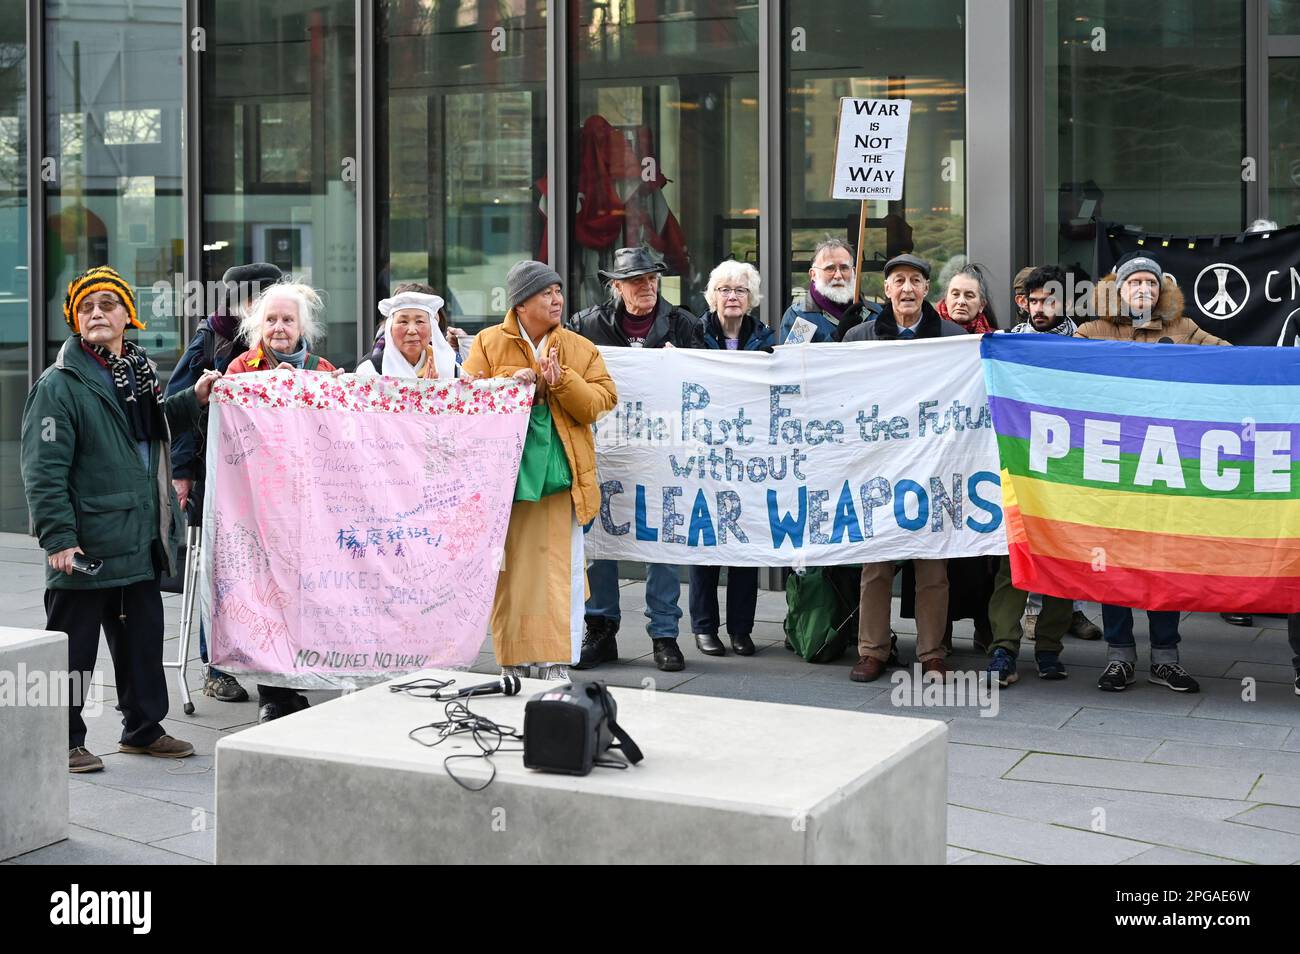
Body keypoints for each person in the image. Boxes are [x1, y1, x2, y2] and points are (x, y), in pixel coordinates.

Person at [22, 266, 220, 773]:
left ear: (127, 316)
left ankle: (143, 728)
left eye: (107, 304)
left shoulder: (137, 371)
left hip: (138, 535)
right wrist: (59, 539)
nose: (97, 313)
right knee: (73, 651)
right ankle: (62, 738)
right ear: (74, 319)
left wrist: (192, 400)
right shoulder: (60, 385)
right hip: (86, 543)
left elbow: (148, 427)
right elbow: (43, 470)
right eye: (86, 307)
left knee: (141, 643)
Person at [1077, 254, 1227, 693]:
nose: (1143, 288)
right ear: (1118, 289)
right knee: (1116, 564)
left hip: (1167, 469)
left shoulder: (1185, 330)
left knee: (1164, 564)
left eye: (1151, 282)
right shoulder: (1092, 332)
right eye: (1134, 282)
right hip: (1113, 470)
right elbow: (1052, 365)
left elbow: (1232, 361)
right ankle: (1119, 656)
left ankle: (1166, 658)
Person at [463, 261, 616, 679]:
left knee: (557, 573)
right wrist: (519, 378)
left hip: (560, 476)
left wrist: (562, 380)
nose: (557, 300)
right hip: (505, 479)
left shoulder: (578, 348)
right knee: (509, 572)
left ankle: (554, 661)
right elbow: (469, 399)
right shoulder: (489, 343)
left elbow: (601, 402)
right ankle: (512, 659)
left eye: (559, 292)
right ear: (521, 301)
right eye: (547, 293)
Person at [568, 246, 704, 672]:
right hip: (605, 449)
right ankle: (601, 628)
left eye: (651, 279)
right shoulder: (586, 325)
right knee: (600, 540)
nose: (645, 287)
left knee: (661, 541)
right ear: (616, 286)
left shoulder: (683, 324)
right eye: (635, 281)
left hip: (664, 453)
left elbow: (703, 384)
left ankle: (664, 634)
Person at [223, 280, 341, 721]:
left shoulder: (323, 369)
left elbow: (339, 434)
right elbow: (232, 431)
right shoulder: (240, 370)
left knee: (303, 595)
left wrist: (314, 395)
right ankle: (273, 693)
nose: (279, 327)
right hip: (257, 504)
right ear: (257, 325)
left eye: (287, 320)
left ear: (302, 327)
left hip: (308, 507)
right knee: (267, 597)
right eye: (270, 319)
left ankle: (295, 683)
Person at [167, 262, 282, 705]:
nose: (260, 307)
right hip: (217, 469)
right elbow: (179, 405)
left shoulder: (287, 336)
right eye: (252, 298)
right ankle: (215, 667)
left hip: (271, 478)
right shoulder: (212, 336)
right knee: (217, 564)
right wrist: (182, 472)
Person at [843, 254, 960, 683]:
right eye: (898, 281)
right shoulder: (859, 337)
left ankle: (932, 652)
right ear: (886, 288)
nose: (907, 288)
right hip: (879, 468)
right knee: (876, 565)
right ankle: (872, 649)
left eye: (915, 280)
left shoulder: (952, 337)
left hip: (933, 467)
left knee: (932, 567)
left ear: (927, 289)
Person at [1004, 264, 1101, 644]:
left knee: (1067, 533)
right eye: (1035, 300)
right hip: (1025, 452)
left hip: (1069, 453)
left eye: (1050, 300)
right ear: (1024, 303)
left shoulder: (1081, 342)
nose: (1041, 307)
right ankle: (1031, 611)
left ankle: (1071, 611)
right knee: (1028, 529)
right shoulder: (1008, 344)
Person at [690, 261, 770, 656]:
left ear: (751, 298)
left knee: (745, 542)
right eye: (724, 289)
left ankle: (741, 628)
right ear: (712, 296)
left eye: (740, 289)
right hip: (703, 455)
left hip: (750, 458)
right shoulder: (691, 335)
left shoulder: (768, 339)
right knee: (705, 541)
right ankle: (705, 627)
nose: (732, 296)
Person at [778, 237, 880, 343]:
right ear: (813, 274)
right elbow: (793, 358)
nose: (838, 275)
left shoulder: (875, 313)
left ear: (854, 272)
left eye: (844, 268)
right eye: (830, 268)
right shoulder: (798, 316)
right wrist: (837, 336)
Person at [358, 281, 468, 371]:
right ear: (389, 328)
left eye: (420, 321)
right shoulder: (370, 369)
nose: (411, 330)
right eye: (403, 322)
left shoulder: (449, 367)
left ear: (433, 328)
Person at [938, 261, 998, 333]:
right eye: (955, 294)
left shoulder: (993, 338)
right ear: (945, 300)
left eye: (969, 296)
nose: (961, 302)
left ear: (982, 305)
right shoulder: (927, 332)